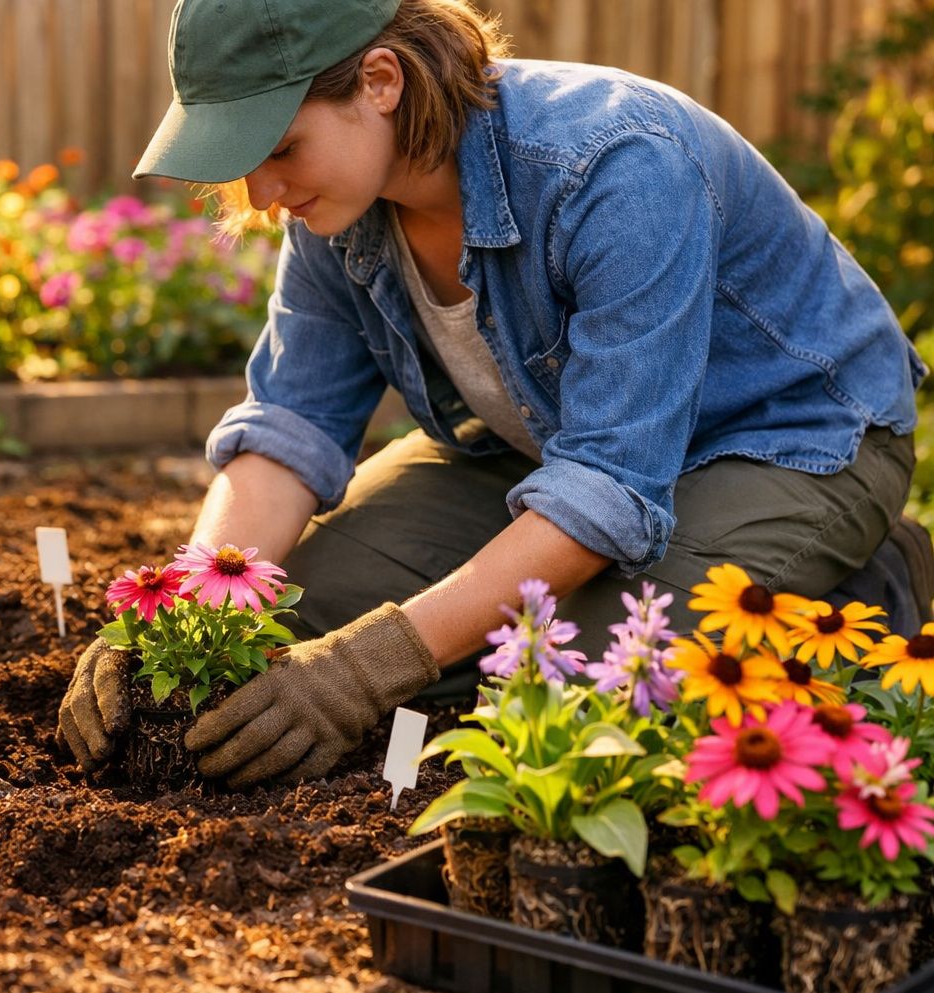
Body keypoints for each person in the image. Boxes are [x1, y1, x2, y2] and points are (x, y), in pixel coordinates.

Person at [56, 0, 930, 788]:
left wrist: (367, 671)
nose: (261, 195)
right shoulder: (339, 206)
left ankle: (877, 577)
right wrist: (183, 616)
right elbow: (289, 426)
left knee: (581, 685)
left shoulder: (614, 165)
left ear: (381, 80)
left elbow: (610, 486)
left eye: (279, 149)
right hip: (547, 445)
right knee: (291, 615)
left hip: (790, 441)